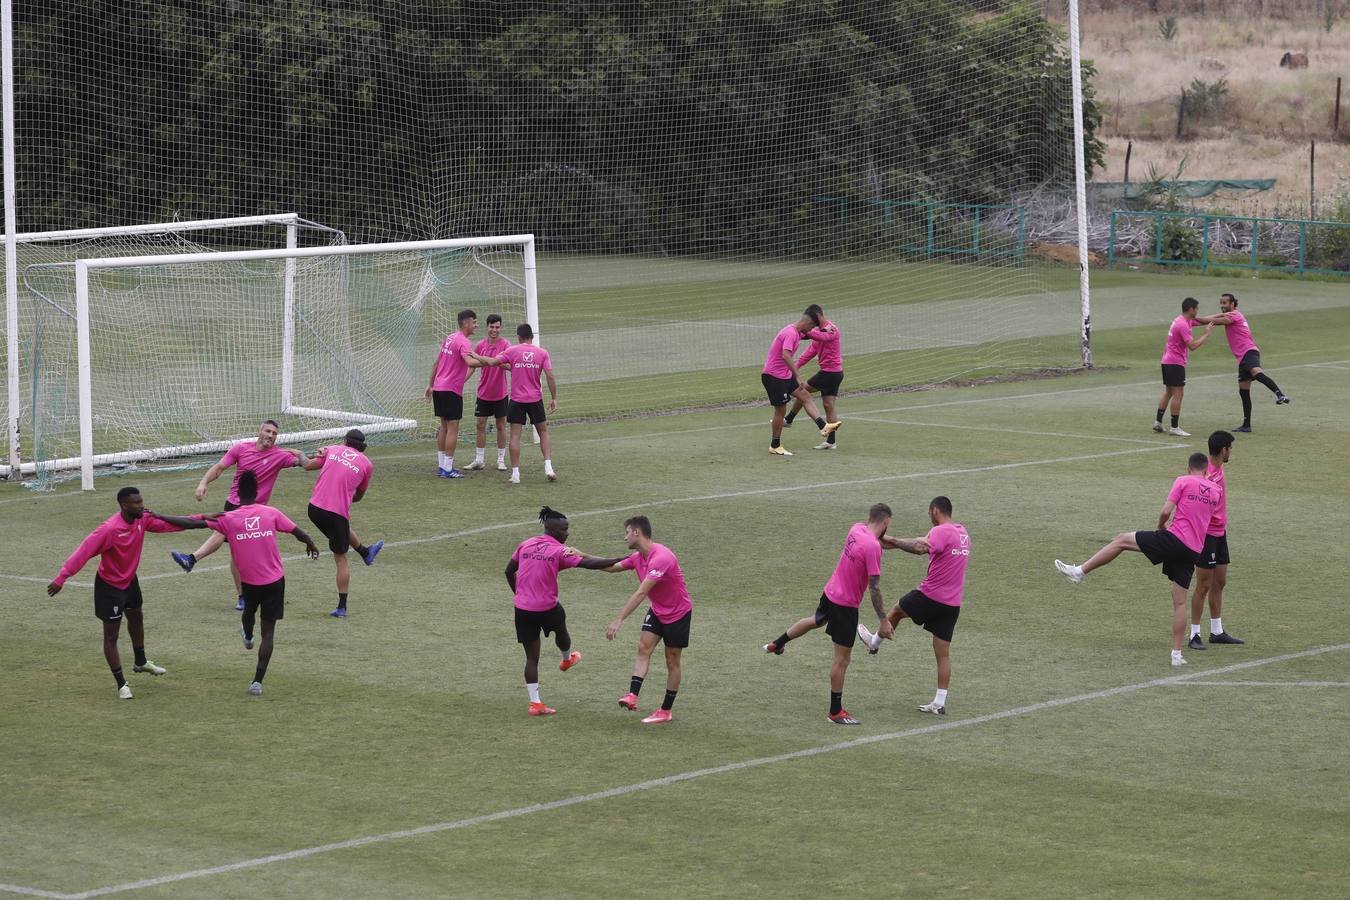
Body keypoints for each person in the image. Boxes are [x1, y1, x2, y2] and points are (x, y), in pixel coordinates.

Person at [1055, 453, 1222, 667]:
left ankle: (1079, 572)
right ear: (1206, 471)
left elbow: (1165, 511)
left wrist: (1161, 528)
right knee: (1180, 602)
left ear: (1189, 468)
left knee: (1121, 540)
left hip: (1174, 539)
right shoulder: (1215, 491)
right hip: (1193, 550)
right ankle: (1176, 655)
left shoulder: (1183, 480)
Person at [47, 486, 209, 698]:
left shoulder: (142, 519)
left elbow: (169, 524)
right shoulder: (109, 529)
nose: (142, 505)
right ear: (124, 505)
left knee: (137, 618)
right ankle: (121, 683)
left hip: (130, 581)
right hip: (109, 587)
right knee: (112, 635)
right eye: (137, 503)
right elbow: (84, 551)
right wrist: (62, 577)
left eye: (141, 501)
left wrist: (203, 519)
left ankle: (140, 662)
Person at [764, 503, 894, 725]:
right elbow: (874, 588)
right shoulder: (872, 547)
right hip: (846, 605)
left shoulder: (856, 529)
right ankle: (835, 712)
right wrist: (883, 620)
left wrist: (901, 543)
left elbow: (878, 542)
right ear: (886, 522)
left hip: (831, 591)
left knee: (817, 620)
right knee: (842, 660)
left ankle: (778, 643)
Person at [170, 419, 307, 611]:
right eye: (267, 431)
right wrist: (203, 483)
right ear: (259, 431)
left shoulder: (279, 455)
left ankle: (192, 560)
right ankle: (241, 596)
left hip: (256, 511)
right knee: (234, 551)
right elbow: (219, 468)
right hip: (234, 504)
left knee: (230, 545)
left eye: (274, 433)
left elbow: (306, 464)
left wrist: (312, 456)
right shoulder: (241, 449)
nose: (270, 435)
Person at [202, 471, 321, 695]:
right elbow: (298, 532)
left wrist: (160, 517)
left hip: (250, 582)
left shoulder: (229, 518)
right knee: (269, 632)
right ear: (257, 492)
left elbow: (191, 522)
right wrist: (311, 544)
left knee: (248, 610)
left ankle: (247, 635)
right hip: (275, 581)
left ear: (237, 494)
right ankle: (257, 682)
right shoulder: (270, 513)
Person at [504, 506, 625, 716]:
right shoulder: (559, 551)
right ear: (552, 529)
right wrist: (623, 558)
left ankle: (535, 704)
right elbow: (590, 564)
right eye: (564, 529)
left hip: (522, 609)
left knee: (532, 658)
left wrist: (519, 593)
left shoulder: (525, 544)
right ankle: (567, 659)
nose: (567, 533)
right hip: (547, 607)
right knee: (561, 628)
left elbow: (508, 570)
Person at [858, 497, 970, 716]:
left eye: (930, 512)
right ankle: (939, 703)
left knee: (897, 611)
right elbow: (916, 542)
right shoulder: (962, 533)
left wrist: (887, 539)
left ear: (935, 510)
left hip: (931, 595)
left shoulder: (940, 531)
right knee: (943, 654)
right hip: (952, 603)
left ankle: (874, 642)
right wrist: (886, 539)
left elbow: (919, 547)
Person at [600, 516, 692, 724]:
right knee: (643, 648)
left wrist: (618, 619)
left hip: (678, 614)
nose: (625, 537)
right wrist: (580, 558)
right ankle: (632, 696)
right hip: (658, 610)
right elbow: (611, 567)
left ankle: (665, 710)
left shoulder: (662, 557)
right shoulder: (638, 557)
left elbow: (641, 593)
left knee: (672, 661)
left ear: (637, 533)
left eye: (627, 533)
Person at [306, 428, 384, 618]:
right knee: (341, 557)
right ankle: (342, 607)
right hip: (336, 513)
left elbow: (309, 464)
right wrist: (347, 497)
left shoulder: (332, 449)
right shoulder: (366, 464)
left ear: (345, 441)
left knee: (341, 530)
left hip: (314, 509)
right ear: (362, 447)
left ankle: (366, 553)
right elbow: (359, 496)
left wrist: (297, 455)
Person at [473, 323, 558, 484]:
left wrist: (476, 356)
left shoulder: (512, 351)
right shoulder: (542, 353)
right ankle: (548, 467)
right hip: (535, 399)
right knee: (543, 432)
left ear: (519, 337)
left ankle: (516, 474)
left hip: (517, 400)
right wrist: (554, 398)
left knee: (515, 436)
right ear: (532, 336)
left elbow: (492, 362)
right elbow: (550, 376)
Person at [1197, 293, 1290, 433]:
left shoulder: (1234, 316)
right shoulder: (1230, 314)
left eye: (1225, 303)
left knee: (1256, 373)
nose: (1222, 305)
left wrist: (1192, 319)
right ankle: (1246, 425)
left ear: (1233, 303)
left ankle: (1280, 394)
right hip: (1243, 357)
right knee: (1244, 390)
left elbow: (1214, 321)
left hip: (1249, 352)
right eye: (1221, 303)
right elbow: (1213, 317)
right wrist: (1195, 320)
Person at [1189, 430, 1244, 650]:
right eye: (1230, 448)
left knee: (1220, 581)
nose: (1231, 451)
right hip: (1207, 535)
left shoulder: (1219, 469)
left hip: (1220, 533)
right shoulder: (1207, 476)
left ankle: (1217, 631)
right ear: (1224, 450)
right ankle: (1194, 634)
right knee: (1203, 584)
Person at [762, 307, 841, 456]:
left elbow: (810, 335)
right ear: (808, 322)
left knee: (805, 395)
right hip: (774, 376)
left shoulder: (797, 332)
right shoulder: (791, 333)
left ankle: (824, 427)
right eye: (812, 326)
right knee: (780, 410)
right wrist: (797, 375)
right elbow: (785, 355)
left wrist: (825, 332)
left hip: (784, 375)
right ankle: (775, 445)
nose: (812, 330)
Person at [425, 308, 481, 478]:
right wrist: (489, 362)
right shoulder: (464, 342)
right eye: (474, 322)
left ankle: (442, 466)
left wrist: (430, 385)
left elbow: (437, 362)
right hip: (451, 391)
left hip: (439, 389)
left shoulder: (449, 338)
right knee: (453, 429)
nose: (476, 325)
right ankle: (448, 469)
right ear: (466, 323)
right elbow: (469, 361)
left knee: (443, 426)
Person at [783, 305, 844, 450]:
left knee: (802, 392)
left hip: (831, 373)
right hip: (831, 373)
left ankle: (789, 419)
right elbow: (810, 352)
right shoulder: (818, 331)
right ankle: (831, 442)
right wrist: (795, 366)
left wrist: (806, 331)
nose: (810, 322)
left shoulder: (831, 329)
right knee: (829, 406)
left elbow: (822, 336)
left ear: (818, 314)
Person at [1153, 298, 1213, 437]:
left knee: (1169, 392)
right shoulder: (1183, 325)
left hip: (1167, 361)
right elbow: (1192, 346)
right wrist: (1206, 334)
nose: (1197, 311)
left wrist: (1219, 317)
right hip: (1175, 363)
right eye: (1197, 309)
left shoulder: (1181, 320)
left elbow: (1201, 320)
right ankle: (1174, 427)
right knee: (1178, 393)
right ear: (1191, 309)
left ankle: (1158, 422)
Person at [468, 313, 511, 472]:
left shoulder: (506, 345)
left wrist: (494, 362)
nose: (494, 330)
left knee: (501, 425)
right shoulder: (480, 345)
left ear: (501, 328)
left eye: (497, 327)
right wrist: (461, 381)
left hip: (500, 393)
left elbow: (510, 366)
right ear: (487, 327)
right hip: (483, 393)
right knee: (480, 424)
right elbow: (472, 365)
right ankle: (479, 460)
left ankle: (501, 459)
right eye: (492, 327)